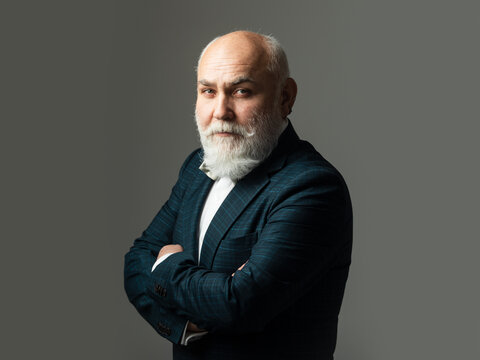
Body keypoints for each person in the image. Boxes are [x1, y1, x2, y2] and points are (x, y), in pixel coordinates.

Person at [124, 30, 353, 360]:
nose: (220, 111)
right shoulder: (196, 167)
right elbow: (136, 262)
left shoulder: (313, 187)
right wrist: (184, 328)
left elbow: (238, 304)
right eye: (208, 91)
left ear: (285, 97)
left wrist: (166, 265)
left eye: (241, 91)